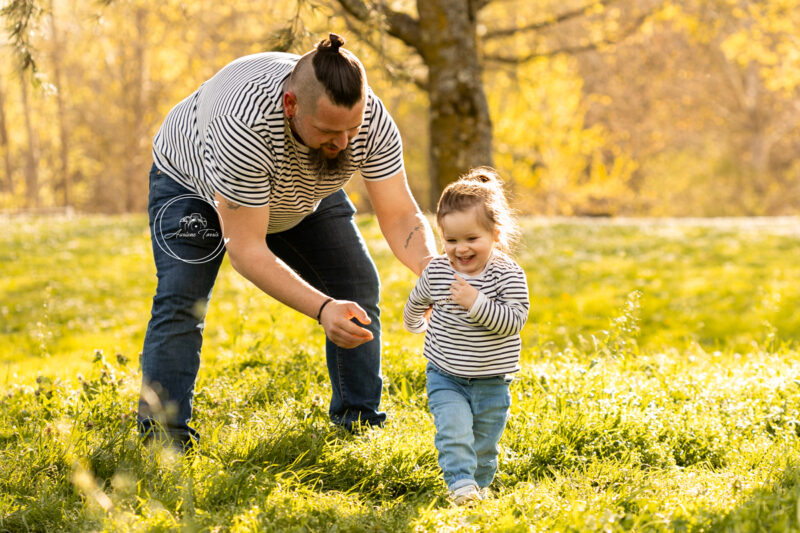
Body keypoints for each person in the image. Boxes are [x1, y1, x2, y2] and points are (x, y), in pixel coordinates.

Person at [139, 33, 436, 450]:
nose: (344, 144)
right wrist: (322, 309)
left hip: (300, 189)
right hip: (195, 188)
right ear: (291, 104)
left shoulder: (363, 122)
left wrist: (432, 268)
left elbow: (400, 212)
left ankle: (360, 424)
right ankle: (163, 445)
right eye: (330, 131)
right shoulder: (244, 125)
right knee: (182, 302)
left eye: (353, 129)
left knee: (356, 282)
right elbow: (247, 250)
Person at [403, 167, 529, 505]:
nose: (460, 250)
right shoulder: (439, 269)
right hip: (446, 374)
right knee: (454, 430)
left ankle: (479, 484)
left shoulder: (508, 275)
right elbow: (417, 300)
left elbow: (513, 321)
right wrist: (415, 323)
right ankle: (460, 485)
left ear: (496, 234)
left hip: (492, 379)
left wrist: (476, 302)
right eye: (451, 240)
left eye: (471, 239)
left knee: (485, 441)